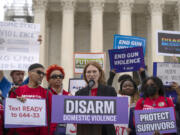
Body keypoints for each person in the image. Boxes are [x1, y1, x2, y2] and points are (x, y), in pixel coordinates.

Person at [7, 63, 52, 135]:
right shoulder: (17, 91)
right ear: (29, 73)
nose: (41, 75)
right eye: (39, 72)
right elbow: (9, 115)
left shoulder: (47, 93)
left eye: (43, 74)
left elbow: (51, 116)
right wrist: (16, 103)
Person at [75, 61, 117, 135]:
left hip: (105, 131)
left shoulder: (110, 91)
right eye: (88, 72)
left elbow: (116, 112)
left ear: (100, 73)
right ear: (85, 74)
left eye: (94, 71)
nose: (91, 74)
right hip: (85, 131)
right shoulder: (79, 93)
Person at [46, 64, 71, 135]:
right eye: (54, 76)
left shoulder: (68, 95)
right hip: (49, 131)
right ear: (48, 79)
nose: (58, 78)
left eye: (60, 76)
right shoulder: (44, 94)